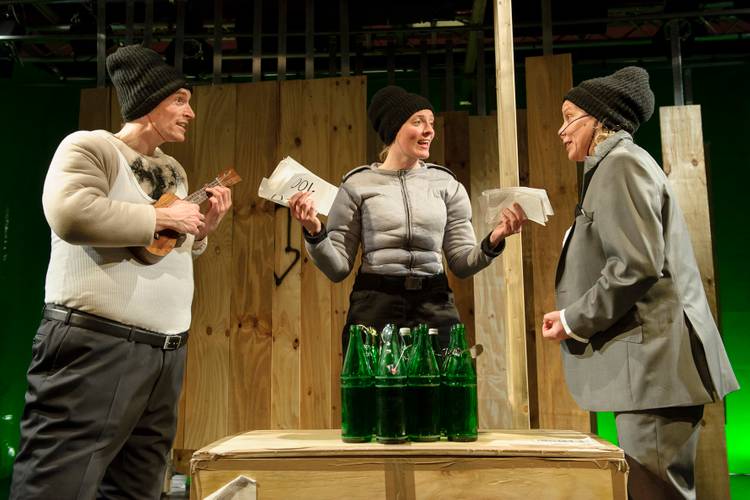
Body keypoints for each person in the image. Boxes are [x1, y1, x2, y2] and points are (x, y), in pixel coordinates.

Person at [10, 44, 232, 499]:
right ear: (150, 102)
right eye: (180, 100)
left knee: (139, 487)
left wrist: (199, 232)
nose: (190, 112)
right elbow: (71, 214)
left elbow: (157, 247)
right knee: (58, 482)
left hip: (164, 354)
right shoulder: (90, 146)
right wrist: (163, 217)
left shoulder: (172, 169)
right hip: (98, 344)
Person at [541, 66, 738, 500]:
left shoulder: (622, 166)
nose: (561, 130)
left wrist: (574, 319)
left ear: (598, 120)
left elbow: (636, 264)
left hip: (654, 365)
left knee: (655, 490)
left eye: (569, 117)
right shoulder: (615, 167)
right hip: (650, 370)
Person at [289, 85, 526, 349]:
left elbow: (462, 263)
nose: (429, 130)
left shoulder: (446, 185)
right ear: (394, 128)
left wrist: (493, 240)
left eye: (431, 123)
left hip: (435, 303)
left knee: (444, 375)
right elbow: (337, 268)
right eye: (418, 122)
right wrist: (315, 232)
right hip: (375, 304)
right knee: (373, 377)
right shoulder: (356, 185)